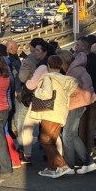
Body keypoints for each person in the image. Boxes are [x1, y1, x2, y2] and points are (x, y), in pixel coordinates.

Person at [26, 51, 79, 179]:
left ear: (49, 65)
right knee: (52, 141)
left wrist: (37, 91)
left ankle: (62, 165)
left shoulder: (48, 77)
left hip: (49, 112)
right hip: (60, 113)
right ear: (60, 66)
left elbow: (46, 94)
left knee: (44, 141)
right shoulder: (65, 79)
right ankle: (51, 168)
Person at [63, 47, 96, 173]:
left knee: (67, 134)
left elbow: (72, 89)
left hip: (75, 104)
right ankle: (87, 161)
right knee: (72, 134)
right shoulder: (81, 68)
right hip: (82, 103)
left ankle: (69, 165)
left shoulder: (73, 71)